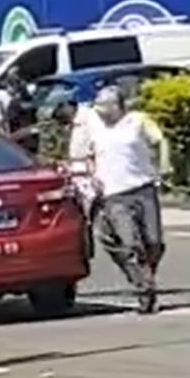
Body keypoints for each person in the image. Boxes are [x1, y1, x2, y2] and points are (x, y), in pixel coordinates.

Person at [70, 84, 170, 315]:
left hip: (143, 187)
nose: (101, 112)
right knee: (130, 243)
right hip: (114, 195)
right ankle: (144, 288)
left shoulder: (137, 120)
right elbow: (83, 155)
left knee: (154, 242)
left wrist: (164, 165)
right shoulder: (93, 126)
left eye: (106, 107)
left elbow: (160, 140)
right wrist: (89, 180)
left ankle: (145, 275)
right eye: (99, 107)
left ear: (119, 106)